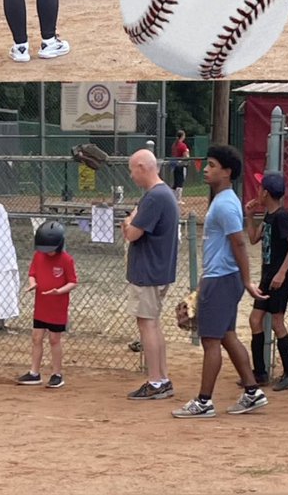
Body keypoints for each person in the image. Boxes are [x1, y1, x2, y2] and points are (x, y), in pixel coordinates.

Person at [172, 144, 267, 419]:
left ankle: (204, 402)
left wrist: (247, 280)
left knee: (210, 341)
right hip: (219, 277)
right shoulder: (225, 200)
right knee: (226, 336)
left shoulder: (225, 204)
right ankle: (252, 391)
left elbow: (238, 242)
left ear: (227, 172)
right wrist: (204, 284)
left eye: (212, 165)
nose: (207, 169)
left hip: (222, 278)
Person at [121, 149, 179, 400]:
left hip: (149, 270)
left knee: (147, 324)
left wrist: (127, 222)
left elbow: (132, 233)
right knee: (152, 323)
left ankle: (156, 381)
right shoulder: (162, 194)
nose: (132, 175)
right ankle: (161, 377)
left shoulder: (154, 197)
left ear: (143, 167)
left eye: (133, 170)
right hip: (157, 269)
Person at [244, 170, 288, 391]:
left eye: (260, 188)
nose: (258, 191)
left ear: (265, 193)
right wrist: (249, 216)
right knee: (255, 320)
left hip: (278, 277)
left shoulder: (281, 216)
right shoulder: (269, 215)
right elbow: (253, 238)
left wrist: (282, 272)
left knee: (277, 323)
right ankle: (260, 373)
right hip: (268, 276)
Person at [16, 221, 77, 389]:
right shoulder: (38, 256)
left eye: (50, 249)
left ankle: (57, 373)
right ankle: (34, 373)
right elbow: (32, 273)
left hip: (57, 307)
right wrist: (32, 283)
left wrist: (60, 291)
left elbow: (73, 282)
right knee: (36, 338)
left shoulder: (66, 259)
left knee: (54, 339)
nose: (47, 253)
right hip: (41, 306)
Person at [170, 130, 191, 205]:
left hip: (175, 164)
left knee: (176, 182)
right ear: (182, 136)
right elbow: (186, 156)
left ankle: (172, 198)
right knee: (180, 181)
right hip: (181, 165)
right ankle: (178, 199)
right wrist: (188, 154)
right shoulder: (182, 145)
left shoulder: (174, 144)